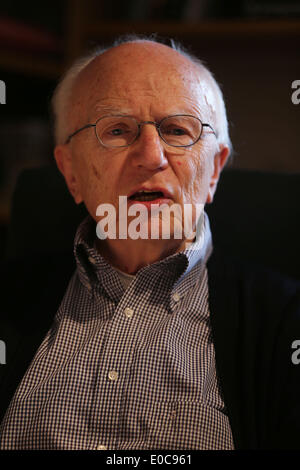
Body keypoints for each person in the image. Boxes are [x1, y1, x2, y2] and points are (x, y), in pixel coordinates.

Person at [0, 36, 300, 450]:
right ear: (70, 172)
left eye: (178, 130)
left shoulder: (287, 323)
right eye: (117, 130)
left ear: (214, 171)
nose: (151, 155)